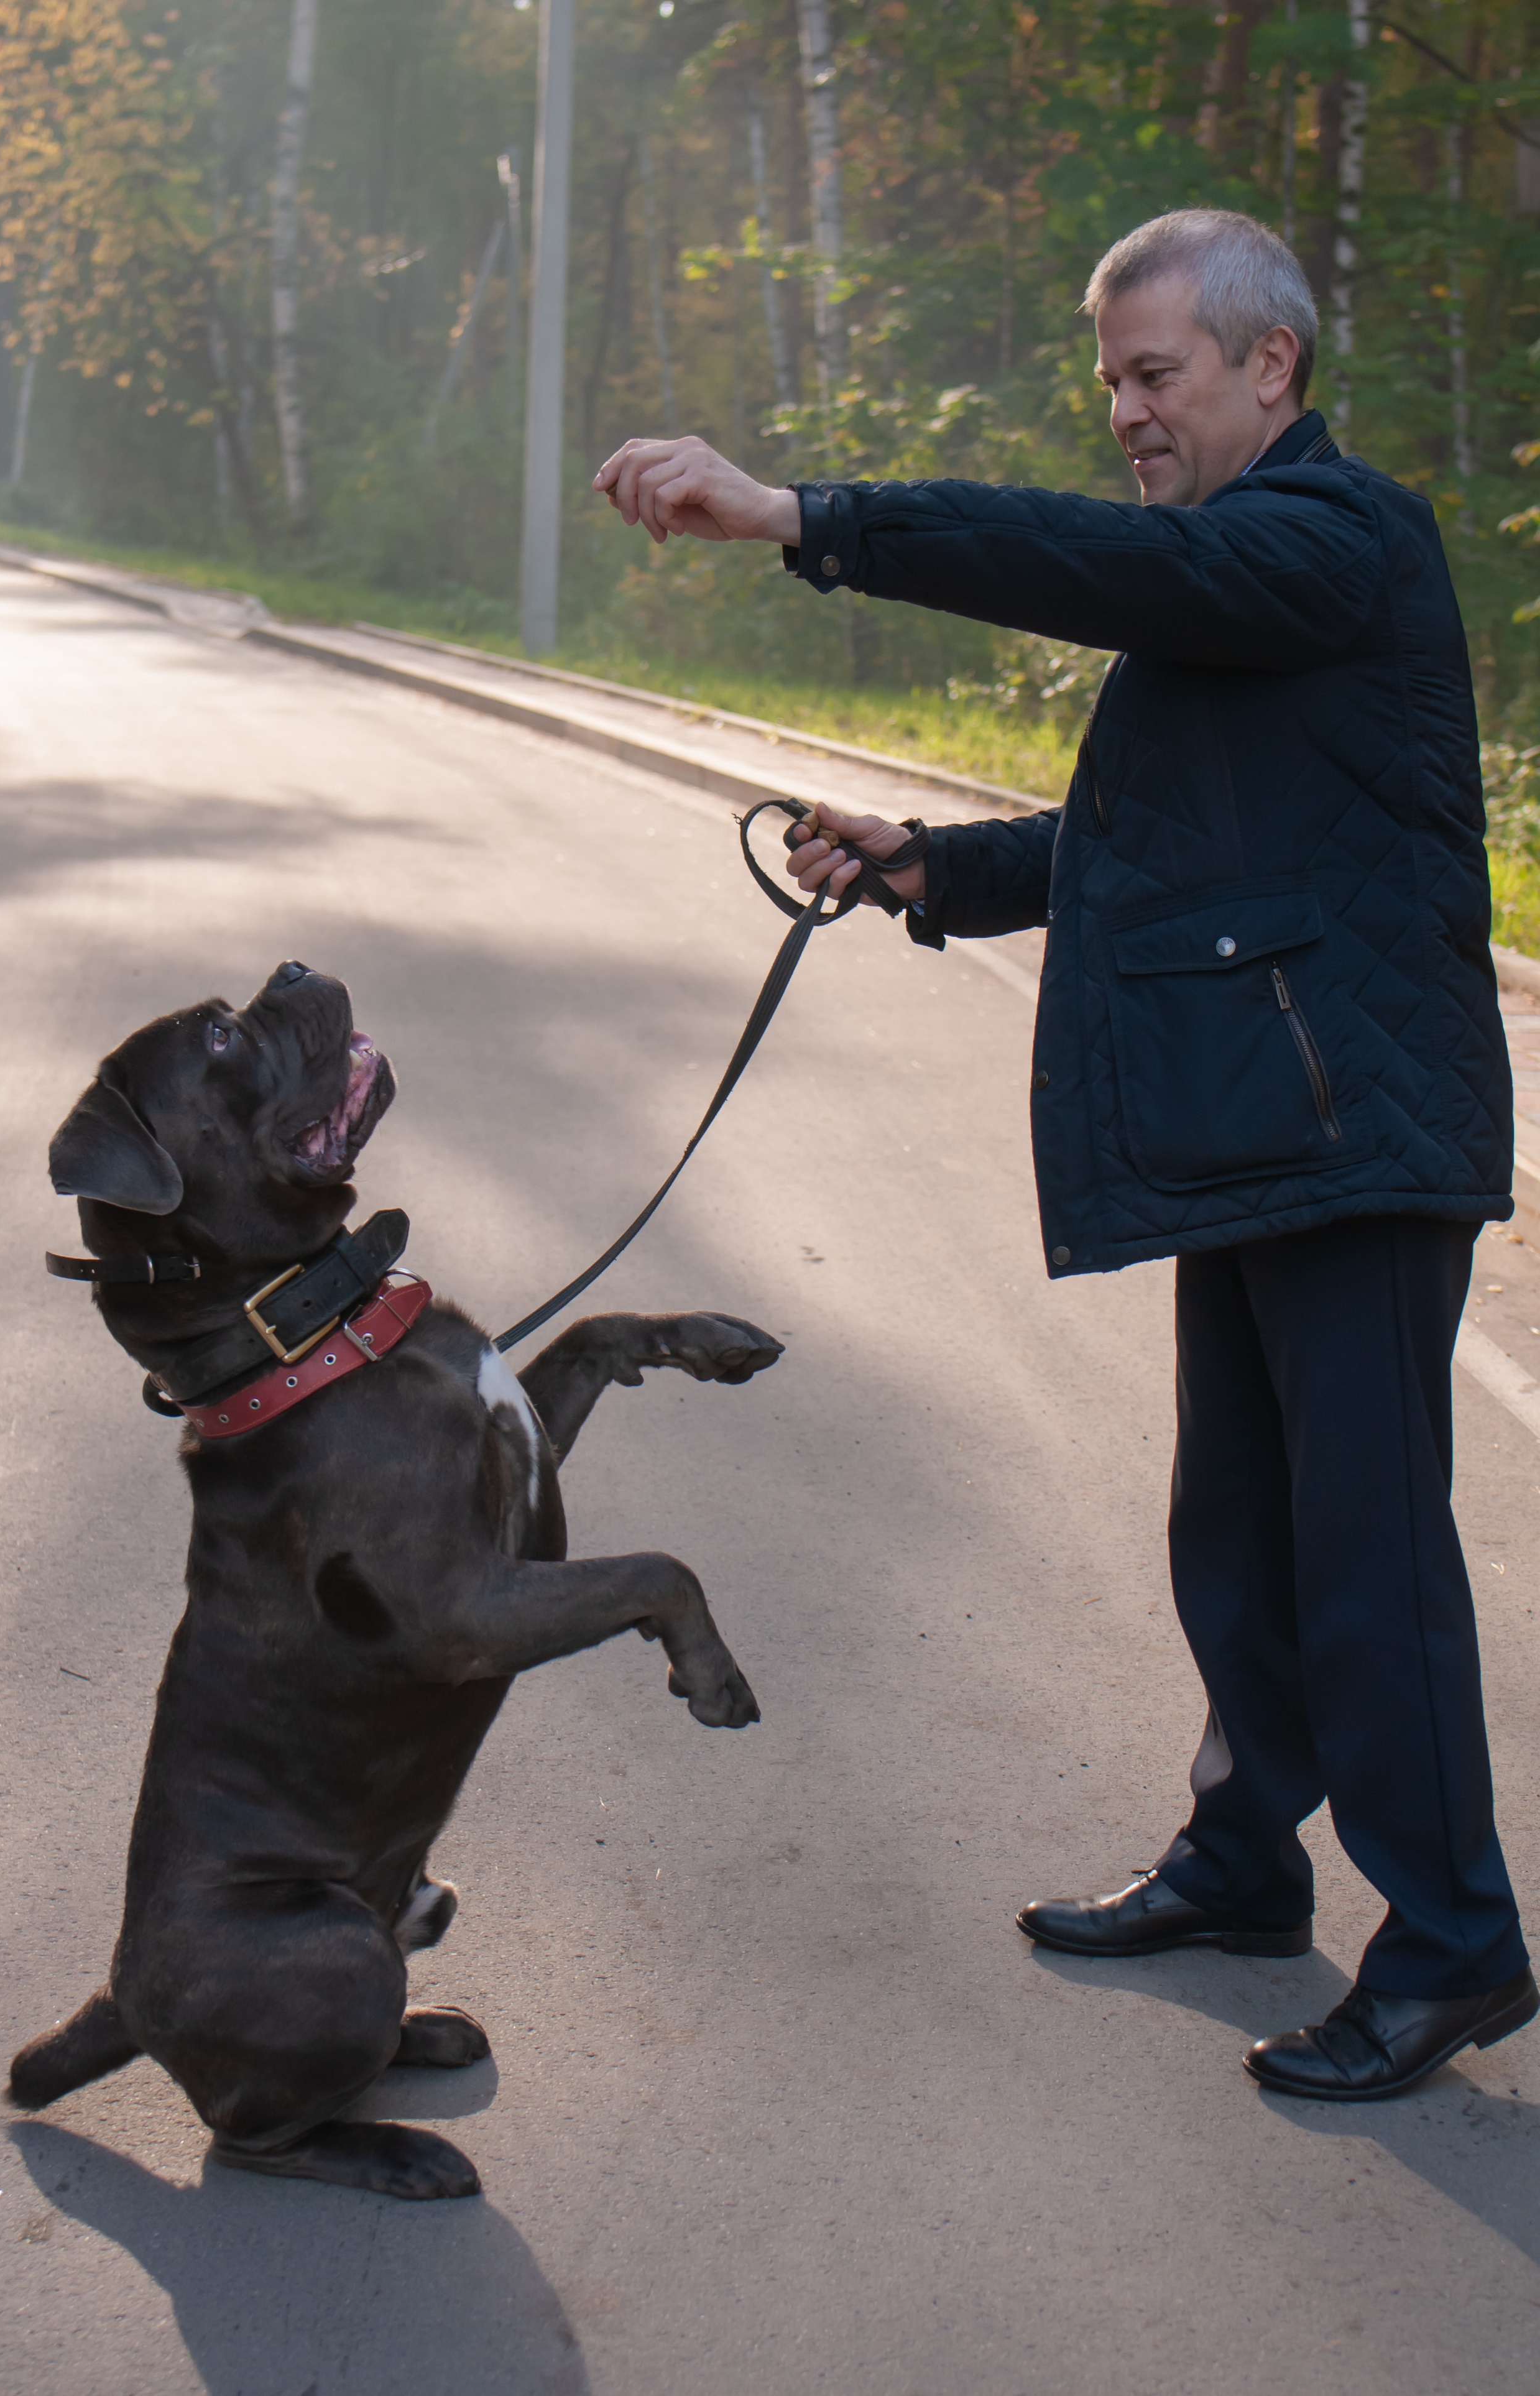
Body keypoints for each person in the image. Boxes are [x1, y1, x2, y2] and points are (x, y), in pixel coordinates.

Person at [593, 208, 1537, 2101]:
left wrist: (810, 516)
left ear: (1272, 368)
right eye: (1109, 379)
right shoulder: (1235, 582)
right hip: (1270, 1121)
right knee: (1239, 1531)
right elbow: (1158, 837)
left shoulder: (1335, 543)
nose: (1125, 411)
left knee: (1367, 1564)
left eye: (1155, 373)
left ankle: (1451, 1946)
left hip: (1360, 1132)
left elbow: (1074, 560)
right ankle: (1244, 1863)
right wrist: (934, 864)